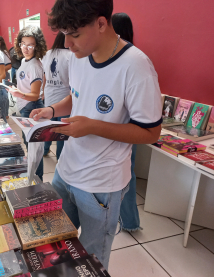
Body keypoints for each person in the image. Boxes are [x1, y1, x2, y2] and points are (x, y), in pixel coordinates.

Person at [30, 0, 162, 269]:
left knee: (90, 262)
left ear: (101, 23)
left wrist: (91, 127)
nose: (67, 44)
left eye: (74, 35)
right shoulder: (79, 56)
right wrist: (52, 109)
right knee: (51, 246)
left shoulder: (136, 66)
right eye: (64, 35)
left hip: (101, 185)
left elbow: (150, 132)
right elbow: (77, 96)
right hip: (64, 174)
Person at [112, 12, 141, 232]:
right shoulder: (134, 54)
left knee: (124, 175)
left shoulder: (128, 58)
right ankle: (130, 222)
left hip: (124, 124)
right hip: (130, 123)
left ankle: (129, 221)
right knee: (126, 173)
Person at [7, 25, 48, 181]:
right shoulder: (24, 60)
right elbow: (25, 87)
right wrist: (16, 89)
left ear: (37, 46)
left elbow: (35, 95)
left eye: (30, 44)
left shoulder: (35, 66)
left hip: (32, 108)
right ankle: (33, 176)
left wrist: (19, 93)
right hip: (25, 106)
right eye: (23, 43)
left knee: (35, 149)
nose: (26, 48)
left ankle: (38, 180)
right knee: (29, 145)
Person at [41, 32, 72, 159]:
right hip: (64, 100)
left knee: (48, 127)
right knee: (61, 132)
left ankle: (44, 150)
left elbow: (44, 76)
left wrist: (43, 92)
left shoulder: (47, 54)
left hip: (49, 96)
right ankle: (60, 158)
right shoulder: (71, 55)